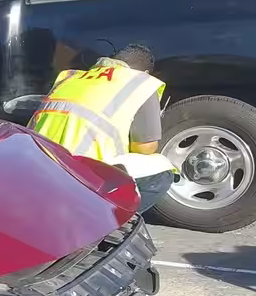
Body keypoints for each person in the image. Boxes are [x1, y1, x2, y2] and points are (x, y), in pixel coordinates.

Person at [28, 44, 177, 214]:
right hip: (82, 176)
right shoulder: (140, 84)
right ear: (146, 73)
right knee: (162, 170)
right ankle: (103, 220)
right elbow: (145, 148)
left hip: (37, 166)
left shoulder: (70, 77)